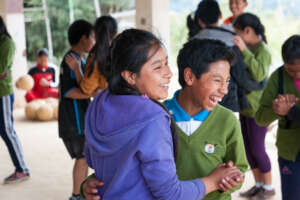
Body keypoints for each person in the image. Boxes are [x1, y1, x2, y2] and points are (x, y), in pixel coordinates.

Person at [83, 29, 244, 200]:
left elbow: (99, 162)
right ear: (130, 76)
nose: (169, 72)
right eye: (158, 67)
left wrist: (87, 184)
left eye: (166, 63)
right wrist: (213, 182)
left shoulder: (99, 103)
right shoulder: (154, 118)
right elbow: (170, 194)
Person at [187, 0, 265, 113]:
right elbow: (241, 76)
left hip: (198, 102)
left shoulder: (192, 42)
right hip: (227, 103)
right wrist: (261, 84)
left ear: (199, 21)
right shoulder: (233, 40)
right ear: (220, 16)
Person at [232, 13, 274, 199]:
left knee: (258, 149)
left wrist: (243, 50)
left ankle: (269, 187)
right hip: (245, 107)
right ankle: (258, 185)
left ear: (247, 31)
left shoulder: (262, 50)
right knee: (248, 150)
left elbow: (258, 74)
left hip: (258, 109)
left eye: (239, 33)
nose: (238, 37)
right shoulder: (247, 47)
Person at [256, 35, 300, 200]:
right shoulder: (278, 77)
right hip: (290, 152)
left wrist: (291, 110)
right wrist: (277, 110)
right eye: (291, 70)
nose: (296, 75)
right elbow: (260, 117)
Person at [58, 19, 95, 200]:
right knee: (81, 157)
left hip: (81, 117)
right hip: (74, 120)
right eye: (92, 38)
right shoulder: (70, 60)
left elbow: (85, 86)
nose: (93, 42)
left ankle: (80, 193)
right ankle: (76, 196)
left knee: (85, 157)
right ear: (84, 38)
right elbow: (69, 91)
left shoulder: (81, 59)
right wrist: (94, 92)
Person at [0, 16, 30, 184]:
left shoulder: (6, 43)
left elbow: (1, 70)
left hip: (2, 93)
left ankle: (22, 169)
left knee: (7, 130)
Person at [66, 15, 117, 95]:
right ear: (116, 34)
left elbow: (86, 89)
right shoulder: (127, 52)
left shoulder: (96, 57)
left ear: (95, 34)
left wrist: (76, 69)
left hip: (109, 105)